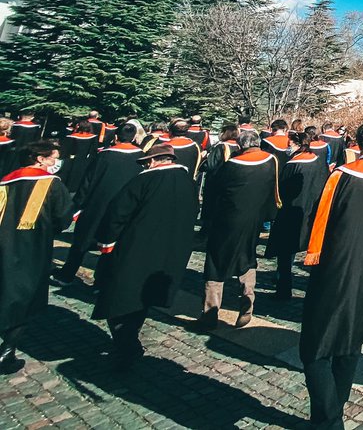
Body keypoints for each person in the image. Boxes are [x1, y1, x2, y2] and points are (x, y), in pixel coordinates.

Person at [300, 118, 363, 430]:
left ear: (358, 143)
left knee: (314, 349)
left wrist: (313, 253)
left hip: (334, 267)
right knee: (350, 343)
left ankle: (329, 420)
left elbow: (320, 220)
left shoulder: (340, 176)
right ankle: (333, 414)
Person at [91, 143, 197, 359]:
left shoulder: (144, 179)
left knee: (119, 295)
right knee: (144, 298)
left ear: (152, 161)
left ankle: (127, 344)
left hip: (137, 247)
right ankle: (130, 338)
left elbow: (118, 212)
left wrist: (106, 240)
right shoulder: (189, 182)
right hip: (171, 249)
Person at [0, 140, 73, 374]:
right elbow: (62, 218)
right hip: (32, 247)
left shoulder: (5, 181)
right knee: (25, 297)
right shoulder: (51, 183)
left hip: (3, 243)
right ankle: (7, 351)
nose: (56, 162)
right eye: (53, 157)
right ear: (39, 158)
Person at [200, 129, 280, 329]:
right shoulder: (271, 161)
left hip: (227, 220)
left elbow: (215, 192)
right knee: (247, 259)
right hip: (254, 220)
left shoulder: (231, 166)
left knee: (215, 264)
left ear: (240, 145)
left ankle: (210, 312)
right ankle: (247, 303)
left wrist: (207, 220)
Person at [55, 121, 145, 284]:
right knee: (112, 246)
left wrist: (78, 204)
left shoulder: (104, 155)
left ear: (116, 137)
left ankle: (68, 274)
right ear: (133, 138)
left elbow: (87, 182)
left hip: (97, 204)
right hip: (124, 208)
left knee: (81, 241)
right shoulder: (141, 158)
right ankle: (101, 281)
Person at [267, 128, 329, 300]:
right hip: (312, 213)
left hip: (290, 213)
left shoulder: (292, 165)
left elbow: (281, 191)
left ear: (296, 145)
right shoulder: (319, 162)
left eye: (290, 144)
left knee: (286, 253)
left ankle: (283, 287)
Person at [59, 117, 101, 194]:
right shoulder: (93, 137)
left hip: (72, 160)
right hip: (86, 160)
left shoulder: (71, 137)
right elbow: (94, 150)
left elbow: (65, 151)